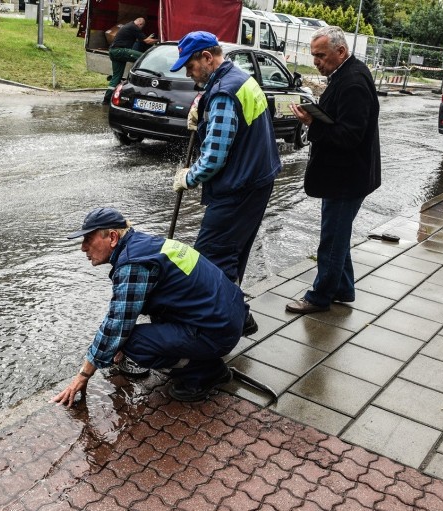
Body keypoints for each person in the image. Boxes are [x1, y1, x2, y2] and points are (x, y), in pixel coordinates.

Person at [51, 207, 247, 405]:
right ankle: (201, 355)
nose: (83, 247)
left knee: (132, 343)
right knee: (125, 337)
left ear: (112, 237)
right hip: (232, 313)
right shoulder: (146, 244)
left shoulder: (133, 264)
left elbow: (115, 325)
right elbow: (135, 306)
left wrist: (83, 375)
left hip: (219, 330)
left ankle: (206, 372)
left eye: (88, 240)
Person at [169, 31, 281, 336]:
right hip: (257, 181)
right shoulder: (239, 79)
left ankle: (215, 330)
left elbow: (215, 157)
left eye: (190, 66)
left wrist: (188, 178)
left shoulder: (223, 93)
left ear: (207, 57)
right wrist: (203, 112)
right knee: (231, 255)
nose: (190, 74)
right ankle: (237, 317)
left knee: (208, 259)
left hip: (238, 187)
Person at [285, 26, 381, 314]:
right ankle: (343, 288)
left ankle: (320, 296)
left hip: (347, 177)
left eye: (321, 56)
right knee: (338, 234)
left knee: (332, 238)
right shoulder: (345, 73)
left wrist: (313, 124)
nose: (316, 62)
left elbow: (350, 136)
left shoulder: (352, 82)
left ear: (340, 52)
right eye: (313, 55)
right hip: (348, 174)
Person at [103, 17, 157, 103]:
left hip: (113, 51)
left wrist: (149, 38)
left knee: (116, 77)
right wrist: (158, 41)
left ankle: (106, 99)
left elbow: (141, 39)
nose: (141, 29)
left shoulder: (128, 26)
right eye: (141, 27)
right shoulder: (134, 27)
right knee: (144, 57)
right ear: (140, 24)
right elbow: (147, 41)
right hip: (120, 51)